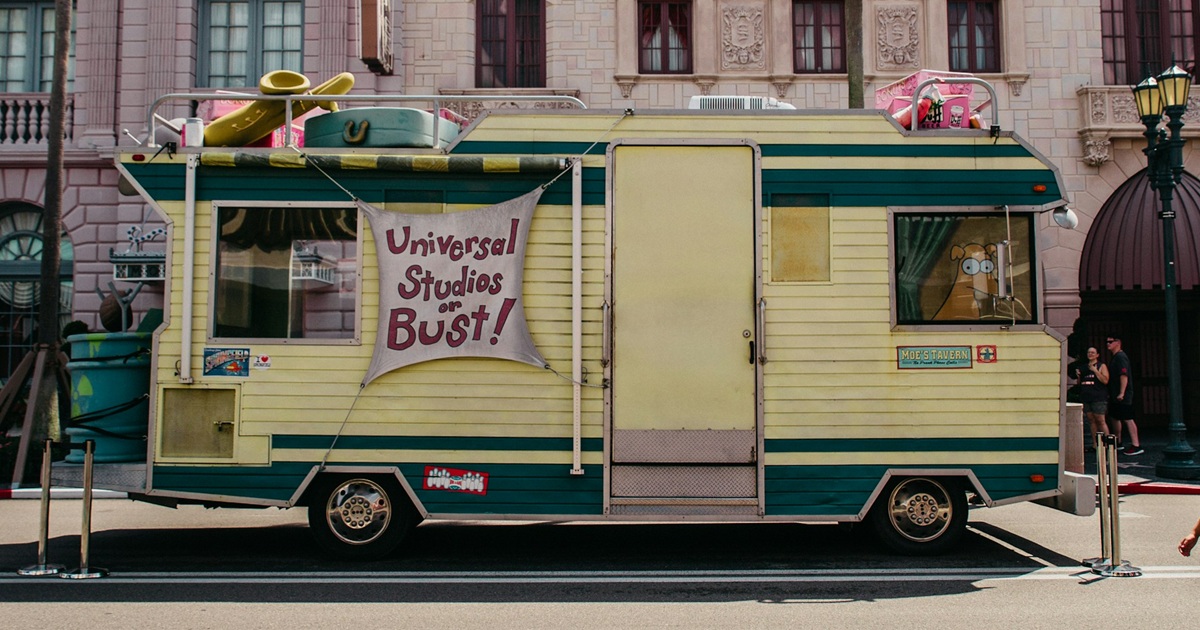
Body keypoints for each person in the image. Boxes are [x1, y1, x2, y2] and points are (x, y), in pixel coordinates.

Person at [1106, 335, 1143, 456]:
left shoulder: (1121, 357)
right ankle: (1119, 441)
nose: (1108, 344)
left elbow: (1124, 375)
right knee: (1115, 416)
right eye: (1107, 342)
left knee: (1128, 418)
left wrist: (1122, 392)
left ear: (1118, 342)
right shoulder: (1116, 357)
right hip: (1115, 393)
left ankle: (1136, 444)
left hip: (1123, 394)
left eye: (1111, 341)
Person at [1073, 347, 1110, 442]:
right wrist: (1078, 376)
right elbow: (1079, 383)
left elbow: (1105, 380)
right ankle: (1095, 444)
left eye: (1093, 353)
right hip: (1086, 396)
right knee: (1091, 420)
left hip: (1098, 397)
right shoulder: (1083, 367)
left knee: (1100, 421)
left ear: (1097, 355)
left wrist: (1095, 370)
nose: (1090, 354)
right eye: (1089, 352)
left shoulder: (1101, 366)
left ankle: (1109, 443)